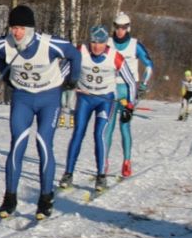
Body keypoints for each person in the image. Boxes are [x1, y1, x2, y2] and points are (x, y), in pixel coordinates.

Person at [0, 4, 81, 219]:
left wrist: (72, 80)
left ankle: (45, 198)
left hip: (48, 98)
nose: (17, 32)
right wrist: (6, 78)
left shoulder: (49, 44)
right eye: (13, 27)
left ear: (31, 29)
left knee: (43, 143)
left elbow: (75, 55)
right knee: (17, 144)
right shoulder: (5, 45)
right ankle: (10, 198)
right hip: (22, 97)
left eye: (22, 28)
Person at [59, 26, 137, 192]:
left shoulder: (115, 57)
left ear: (106, 43)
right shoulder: (81, 52)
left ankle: (101, 176)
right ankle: (68, 174)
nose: (96, 46)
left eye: (100, 43)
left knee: (99, 134)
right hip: (85, 99)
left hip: (105, 100)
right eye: (93, 42)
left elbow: (130, 82)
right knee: (78, 132)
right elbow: (61, 73)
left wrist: (130, 105)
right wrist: (65, 83)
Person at [105, 12, 153, 178]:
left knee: (124, 126)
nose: (120, 31)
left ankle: (127, 161)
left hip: (128, 90)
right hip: (110, 89)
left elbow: (149, 65)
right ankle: (104, 161)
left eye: (123, 28)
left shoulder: (135, 45)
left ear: (128, 28)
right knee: (107, 127)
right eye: (117, 27)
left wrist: (144, 84)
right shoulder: (108, 43)